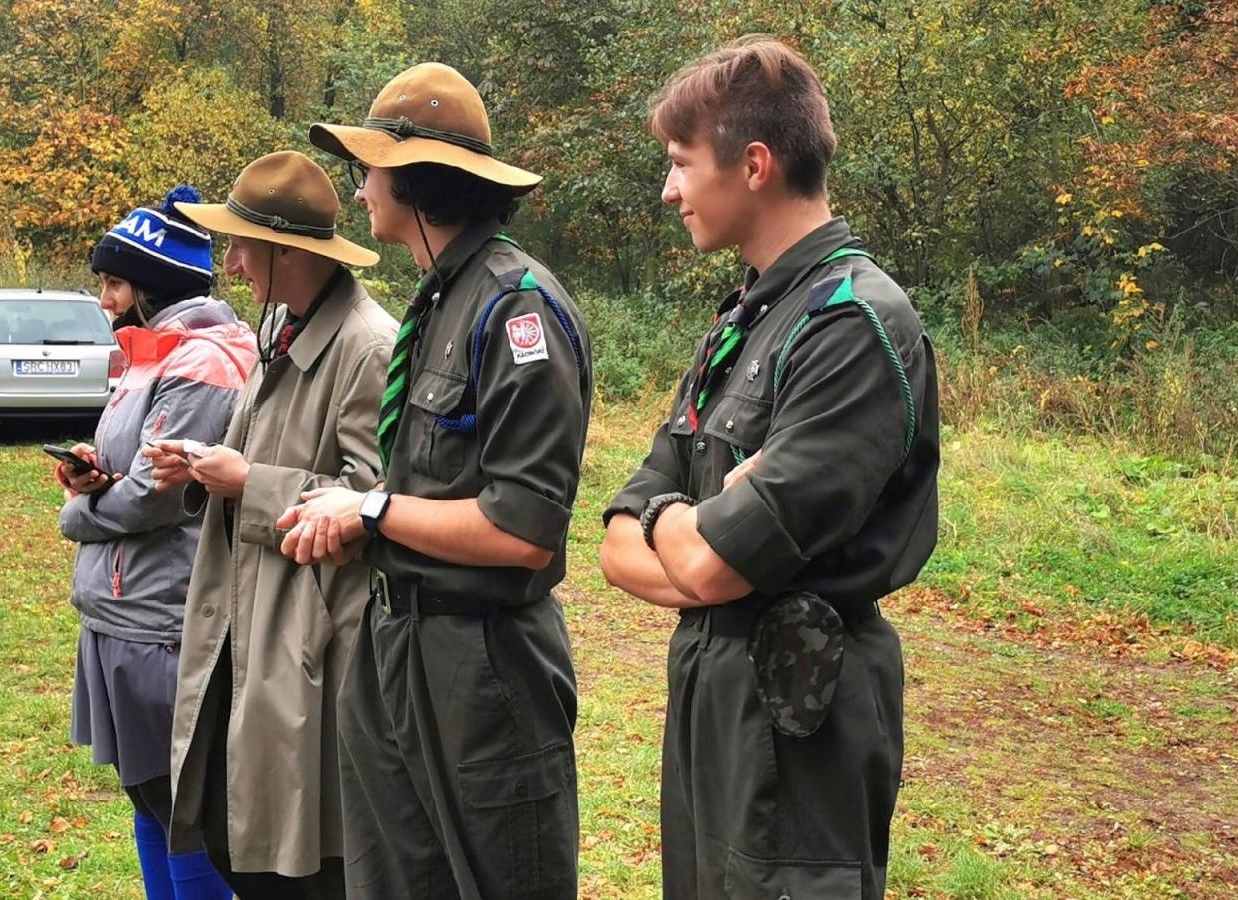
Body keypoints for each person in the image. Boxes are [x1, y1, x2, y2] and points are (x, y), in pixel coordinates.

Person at [598, 37, 941, 900]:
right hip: (715, 695)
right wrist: (694, 525)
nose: (668, 188)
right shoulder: (746, 320)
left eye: (680, 163)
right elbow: (618, 537)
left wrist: (683, 536)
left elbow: (713, 560)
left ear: (753, 165)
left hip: (802, 725)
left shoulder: (855, 323)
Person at [279, 62, 593, 900]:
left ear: (417, 181)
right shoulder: (437, 299)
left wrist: (373, 507)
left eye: (369, 169)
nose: (358, 193)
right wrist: (359, 520)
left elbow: (524, 531)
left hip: (484, 670)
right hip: (396, 649)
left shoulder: (516, 309)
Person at [146, 151, 395, 899]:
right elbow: (265, 449)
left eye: (242, 244)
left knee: (303, 861)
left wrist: (248, 481)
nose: (230, 261)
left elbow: (373, 501)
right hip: (242, 625)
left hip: (304, 647)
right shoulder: (283, 323)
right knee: (231, 832)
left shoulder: (367, 345)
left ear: (287, 251)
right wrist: (202, 466)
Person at [57, 186, 256, 900]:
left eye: (113, 281)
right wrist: (94, 470)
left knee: (183, 810)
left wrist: (79, 512)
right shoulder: (152, 350)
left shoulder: (204, 360)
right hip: (123, 608)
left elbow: (155, 494)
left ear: (155, 282)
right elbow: (133, 468)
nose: (105, 298)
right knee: (149, 798)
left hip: (164, 619)